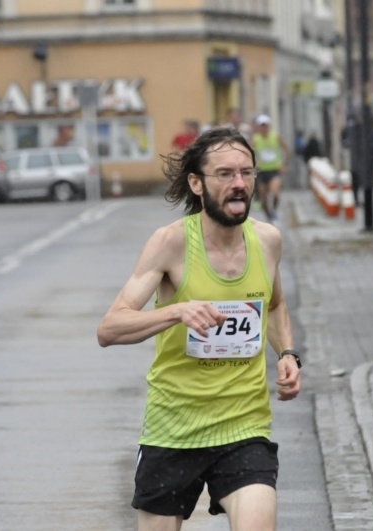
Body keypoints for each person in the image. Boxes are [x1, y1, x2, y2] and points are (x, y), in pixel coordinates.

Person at [97, 127, 301, 530]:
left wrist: (288, 353)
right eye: (224, 174)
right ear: (196, 183)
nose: (239, 184)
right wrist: (175, 312)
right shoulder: (169, 243)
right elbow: (110, 327)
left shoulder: (268, 241)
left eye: (247, 172)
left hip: (244, 427)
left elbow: (273, 305)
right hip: (173, 430)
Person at [251, 114, 291, 224]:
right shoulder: (256, 139)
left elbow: (287, 149)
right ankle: (269, 216)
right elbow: (250, 153)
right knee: (263, 198)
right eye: (261, 126)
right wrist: (254, 163)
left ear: (269, 126)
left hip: (274, 170)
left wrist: (284, 164)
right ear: (258, 127)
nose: (264, 128)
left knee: (275, 192)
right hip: (262, 171)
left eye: (265, 126)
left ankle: (274, 212)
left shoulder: (275, 137)